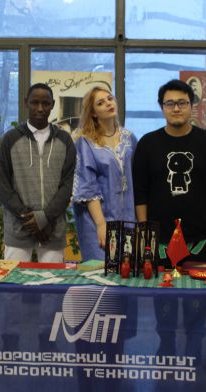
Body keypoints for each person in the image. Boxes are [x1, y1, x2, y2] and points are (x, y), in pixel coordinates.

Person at [133, 79, 206, 267]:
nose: (176, 108)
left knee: (201, 285)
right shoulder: (147, 144)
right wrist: (144, 231)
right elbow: (140, 192)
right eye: (170, 103)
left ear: (191, 105)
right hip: (159, 238)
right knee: (160, 285)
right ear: (162, 107)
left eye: (182, 103)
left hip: (201, 238)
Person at [0, 83, 77, 262]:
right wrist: (30, 220)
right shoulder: (11, 139)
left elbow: (67, 185)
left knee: (52, 280)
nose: (40, 108)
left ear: (52, 105)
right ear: (26, 103)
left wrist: (44, 218)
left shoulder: (64, 140)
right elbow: (2, 186)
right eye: (35, 103)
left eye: (45, 103)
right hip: (18, 230)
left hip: (52, 230)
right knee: (14, 279)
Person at [72, 87, 138, 261]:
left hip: (129, 220)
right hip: (97, 221)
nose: (108, 103)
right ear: (93, 113)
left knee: (127, 270)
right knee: (101, 271)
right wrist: (101, 224)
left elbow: (138, 178)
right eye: (101, 103)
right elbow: (87, 187)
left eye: (110, 98)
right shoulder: (85, 142)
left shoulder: (129, 138)